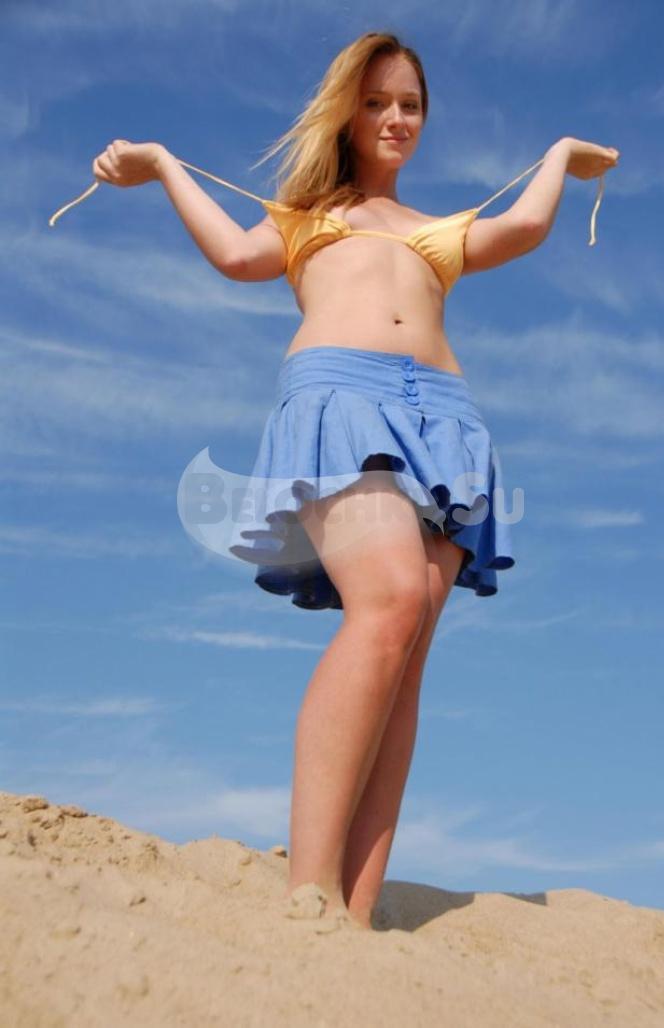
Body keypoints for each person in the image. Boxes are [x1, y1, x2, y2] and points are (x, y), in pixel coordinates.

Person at [56, 31, 619, 930]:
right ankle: (308, 886)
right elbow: (234, 258)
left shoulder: (439, 228)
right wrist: (161, 165)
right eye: (377, 102)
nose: (396, 118)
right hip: (338, 398)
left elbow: (525, 227)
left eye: (411, 105)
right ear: (347, 114)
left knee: (409, 647)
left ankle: (355, 912)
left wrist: (558, 157)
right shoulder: (302, 216)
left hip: (446, 418)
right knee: (387, 603)